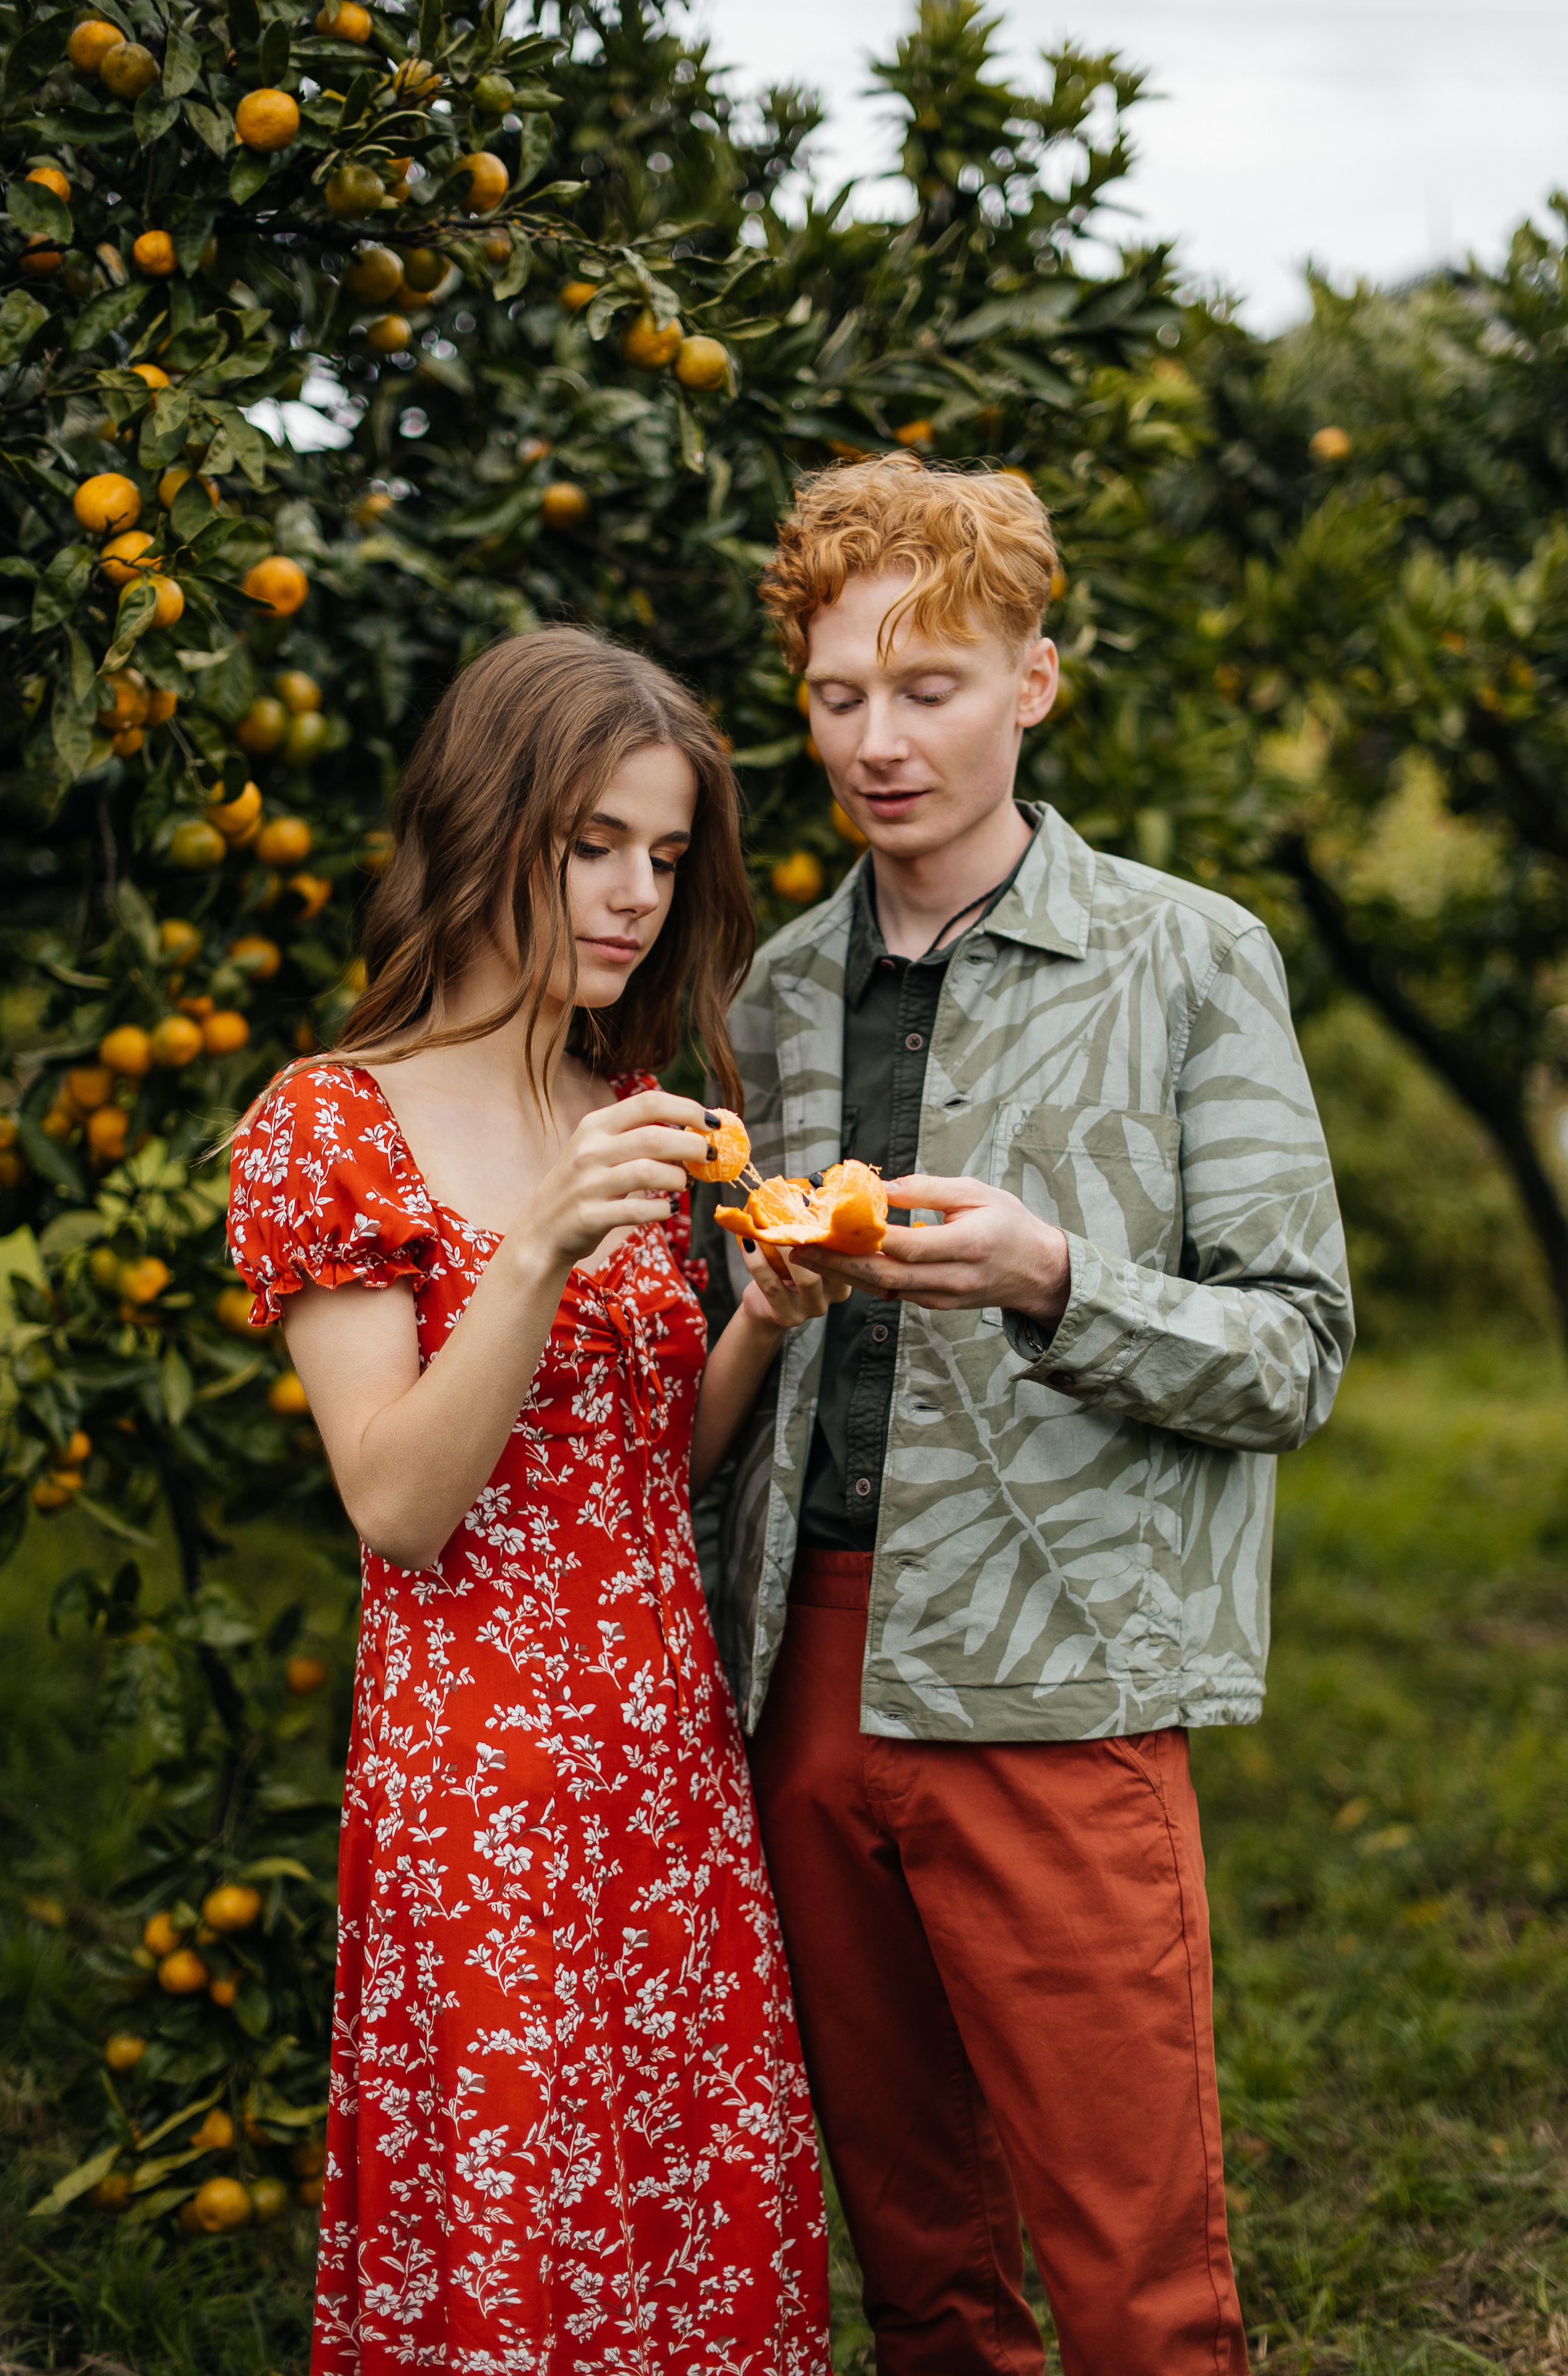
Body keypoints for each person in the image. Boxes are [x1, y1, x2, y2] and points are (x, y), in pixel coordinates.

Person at [694, 453, 1355, 2376]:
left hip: (1063, 1671)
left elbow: (1297, 1345)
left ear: (1033, 684)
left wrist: (1057, 1277)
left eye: (933, 686)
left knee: (1139, 2281)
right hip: (805, 1667)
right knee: (921, 2269)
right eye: (839, 698)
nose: (880, 741)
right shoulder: (778, 993)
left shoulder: (1189, 954)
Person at [227, 626, 837, 2376]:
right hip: (482, 1793)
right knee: (519, 2237)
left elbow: (651, 1472)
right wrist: (549, 1242)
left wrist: (761, 1332)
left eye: (664, 854)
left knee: (687, 2217)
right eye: (594, 843)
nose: (637, 894)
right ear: (487, 821)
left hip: (664, 1762)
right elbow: (401, 1504)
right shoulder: (330, 1128)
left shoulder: (628, 1106)